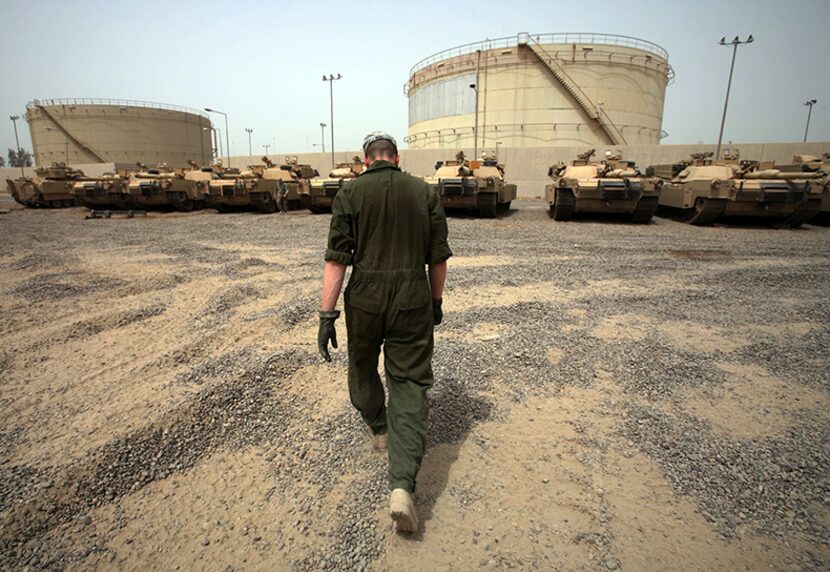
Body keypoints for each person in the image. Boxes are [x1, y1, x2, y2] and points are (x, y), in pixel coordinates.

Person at [318, 131, 451, 533]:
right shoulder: (423, 192)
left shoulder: (350, 194)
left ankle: (379, 427)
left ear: (365, 161)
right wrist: (434, 302)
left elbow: (336, 260)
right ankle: (402, 488)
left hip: (366, 297)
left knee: (361, 366)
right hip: (412, 294)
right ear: (395, 159)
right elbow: (437, 258)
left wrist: (327, 314)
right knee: (409, 382)